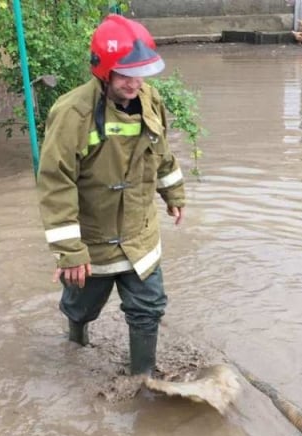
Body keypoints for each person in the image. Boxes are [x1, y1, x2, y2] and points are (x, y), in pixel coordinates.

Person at [36, 15, 185, 377]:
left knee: (148, 308)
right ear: (103, 71)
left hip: (140, 234)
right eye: (125, 75)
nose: (135, 83)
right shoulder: (73, 113)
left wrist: (173, 191)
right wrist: (70, 252)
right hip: (94, 242)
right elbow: (55, 182)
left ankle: (143, 381)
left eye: (141, 73)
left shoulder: (150, 100)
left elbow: (161, 151)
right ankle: (76, 344)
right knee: (80, 307)